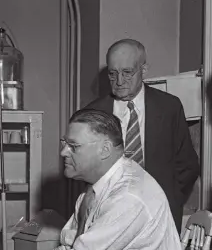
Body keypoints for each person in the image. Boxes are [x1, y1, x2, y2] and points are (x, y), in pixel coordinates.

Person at [0, 109, 185, 250]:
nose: (63, 153)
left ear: (105, 149)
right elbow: (71, 242)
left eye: (73, 146)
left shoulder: (128, 197)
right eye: (65, 144)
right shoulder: (94, 187)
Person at [85, 39, 200, 233]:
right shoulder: (93, 112)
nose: (119, 81)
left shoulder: (169, 107)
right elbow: (84, 168)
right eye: (113, 74)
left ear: (144, 70)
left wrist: (169, 196)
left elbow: (187, 164)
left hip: (158, 214)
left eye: (127, 72)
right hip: (109, 215)